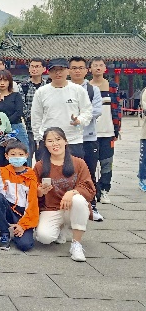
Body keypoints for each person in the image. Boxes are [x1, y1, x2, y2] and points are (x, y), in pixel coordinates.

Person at [34, 127, 96, 262]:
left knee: (78, 200)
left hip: (72, 207)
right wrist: (39, 192)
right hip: (51, 208)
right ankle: (60, 228)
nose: (55, 144)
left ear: (65, 141)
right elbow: (33, 191)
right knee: (44, 238)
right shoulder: (40, 166)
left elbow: (88, 188)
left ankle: (76, 244)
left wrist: (72, 193)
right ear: (45, 144)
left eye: (58, 139)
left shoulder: (78, 163)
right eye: (50, 141)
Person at [31, 58, 92, 160]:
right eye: (54, 70)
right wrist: (38, 139)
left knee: (74, 169)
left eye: (61, 69)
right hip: (48, 141)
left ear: (67, 71)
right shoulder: (41, 92)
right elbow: (36, 117)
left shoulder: (78, 90)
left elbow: (87, 111)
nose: (58, 73)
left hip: (73, 140)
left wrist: (79, 120)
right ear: (48, 72)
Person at [69, 56, 104, 222]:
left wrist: (79, 118)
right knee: (68, 172)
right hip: (69, 138)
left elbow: (96, 110)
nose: (77, 71)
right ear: (69, 70)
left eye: (80, 68)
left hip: (88, 137)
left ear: (86, 70)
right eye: (74, 68)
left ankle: (92, 205)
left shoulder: (92, 90)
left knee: (89, 171)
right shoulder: (63, 89)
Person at [0, 140, 38, 251]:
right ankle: (4, 232)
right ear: (6, 156)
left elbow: (32, 202)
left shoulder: (31, 175)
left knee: (25, 245)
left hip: (22, 213)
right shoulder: (3, 171)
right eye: (13, 154)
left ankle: (18, 230)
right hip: (8, 209)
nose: (17, 157)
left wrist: (23, 225)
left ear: (27, 155)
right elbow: (0, 194)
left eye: (20, 154)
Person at [89, 57, 122, 202]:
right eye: (95, 65)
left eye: (100, 65)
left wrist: (117, 129)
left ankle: (104, 190)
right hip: (90, 133)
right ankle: (91, 191)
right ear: (90, 69)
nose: (98, 67)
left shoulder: (112, 87)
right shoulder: (86, 87)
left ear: (104, 68)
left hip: (107, 131)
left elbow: (117, 109)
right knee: (89, 164)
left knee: (107, 163)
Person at [0, 69, 28, 164]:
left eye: (5, 80)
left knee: (23, 153)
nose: (2, 83)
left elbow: (19, 112)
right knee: (1, 156)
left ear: (9, 81)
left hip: (16, 128)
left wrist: (6, 123)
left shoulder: (16, 95)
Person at [20, 58, 46, 166]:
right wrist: (33, 117)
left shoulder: (48, 86)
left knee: (44, 160)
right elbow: (22, 106)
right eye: (32, 66)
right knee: (27, 158)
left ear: (44, 69)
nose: (34, 69)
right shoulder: (23, 86)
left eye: (37, 66)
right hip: (29, 129)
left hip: (44, 129)